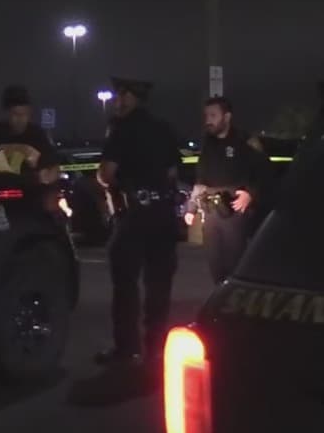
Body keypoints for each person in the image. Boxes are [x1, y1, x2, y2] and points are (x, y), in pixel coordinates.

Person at [94, 77, 183, 368]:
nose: (117, 101)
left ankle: (127, 349)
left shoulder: (122, 129)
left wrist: (113, 182)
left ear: (133, 99)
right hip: (164, 215)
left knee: (126, 283)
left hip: (134, 216)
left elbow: (106, 173)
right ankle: (156, 350)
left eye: (122, 96)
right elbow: (172, 172)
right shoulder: (164, 128)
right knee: (159, 284)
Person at [184, 97, 267, 283]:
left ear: (227, 117)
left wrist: (250, 193)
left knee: (235, 267)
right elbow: (200, 180)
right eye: (206, 115)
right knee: (216, 267)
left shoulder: (245, 142)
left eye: (213, 115)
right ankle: (219, 307)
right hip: (211, 212)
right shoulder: (208, 144)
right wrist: (191, 207)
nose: (208, 120)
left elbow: (265, 173)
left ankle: (234, 307)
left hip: (234, 211)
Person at [0, 85, 60, 181]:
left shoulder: (38, 134)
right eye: (15, 114)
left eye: (24, 114)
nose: (20, 119)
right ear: (6, 113)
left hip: (32, 190)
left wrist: (48, 176)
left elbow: (53, 165)